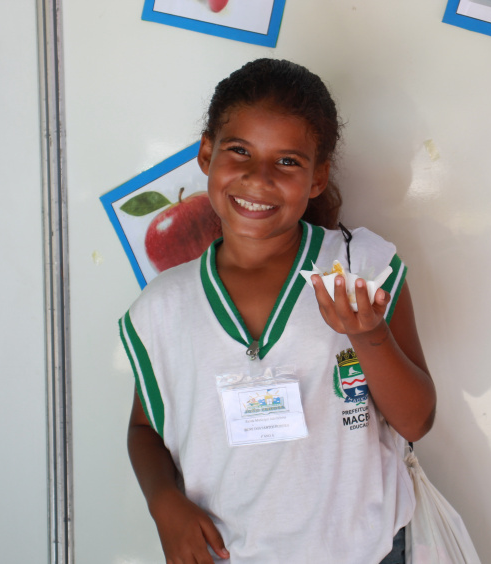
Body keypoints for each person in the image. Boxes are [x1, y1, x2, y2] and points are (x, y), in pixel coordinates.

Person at [121, 58, 436, 564]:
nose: (257, 177)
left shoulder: (360, 268)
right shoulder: (163, 308)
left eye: (287, 161)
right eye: (239, 151)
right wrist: (164, 502)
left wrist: (369, 335)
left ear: (317, 178)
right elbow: (143, 430)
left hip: (370, 552)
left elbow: (418, 419)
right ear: (207, 154)